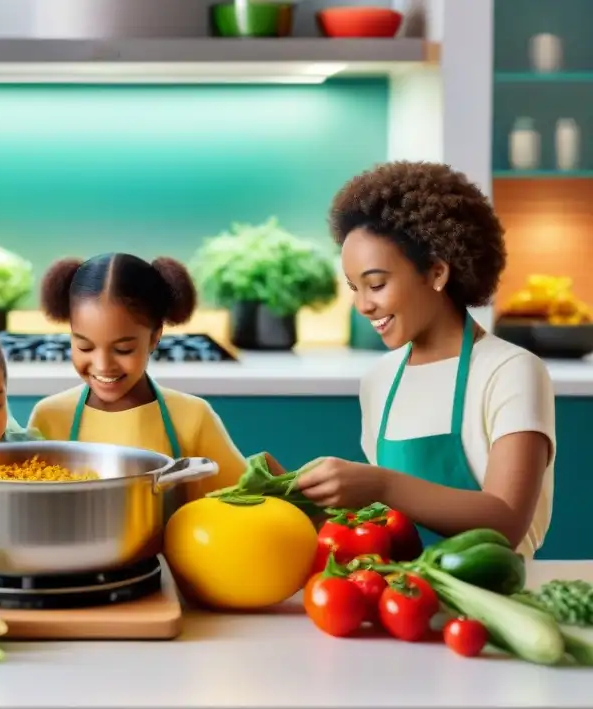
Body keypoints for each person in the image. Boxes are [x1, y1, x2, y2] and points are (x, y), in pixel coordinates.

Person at [294, 160, 555, 559]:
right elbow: (386, 526)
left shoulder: (510, 371)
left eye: (376, 284)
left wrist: (381, 484)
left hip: (491, 602)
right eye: (354, 287)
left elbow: (507, 520)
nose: (364, 305)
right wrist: (300, 496)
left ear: (436, 272)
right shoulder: (379, 380)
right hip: (400, 603)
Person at [27, 252, 249, 500]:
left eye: (123, 349)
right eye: (85, 347)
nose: (102, 366)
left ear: (155, 337)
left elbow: (243, 498)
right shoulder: (49, 417)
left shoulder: (193, 417)